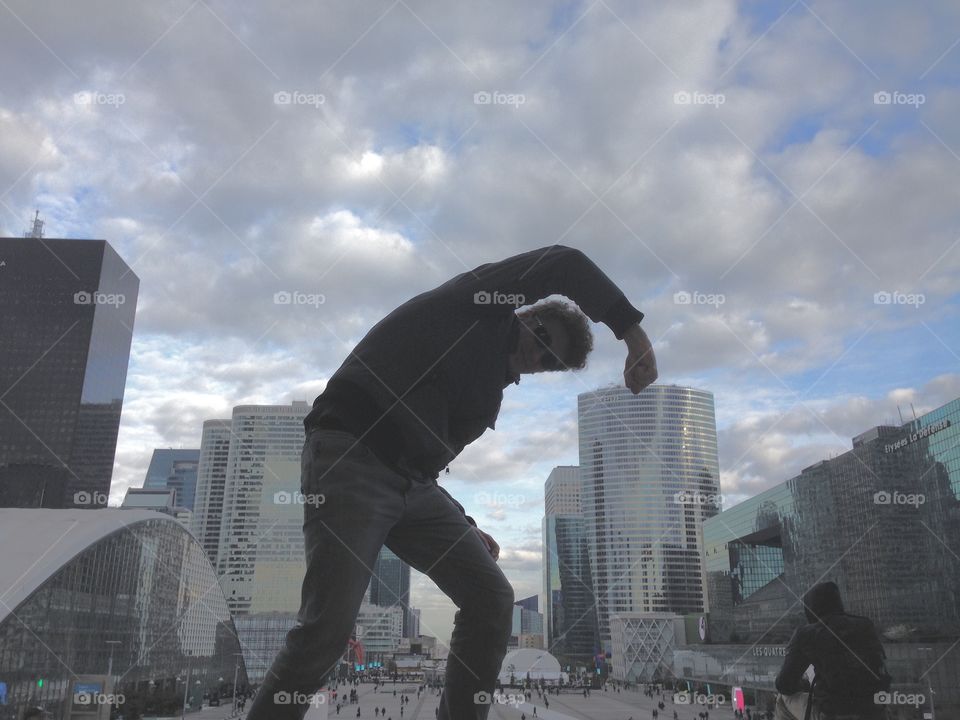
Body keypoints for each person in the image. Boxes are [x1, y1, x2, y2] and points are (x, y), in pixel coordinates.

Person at [246, 245, 656, 720]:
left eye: (549, 361)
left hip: (411, 487)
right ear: (524, 312)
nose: (537, 353)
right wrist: (633, 333)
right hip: (351, 456)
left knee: (492, 599)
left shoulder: (487, 399)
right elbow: (563, 262)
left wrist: (462, 522)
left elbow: (422, 467)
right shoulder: (474, 305)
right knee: (327, 628)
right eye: (541, 337)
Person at [775, 581, 891, 720]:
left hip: (835, 714)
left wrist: (803, 685)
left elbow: (784, 684)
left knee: (782, 698)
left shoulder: (807, 634)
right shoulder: (865, 624)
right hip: (876, 712)